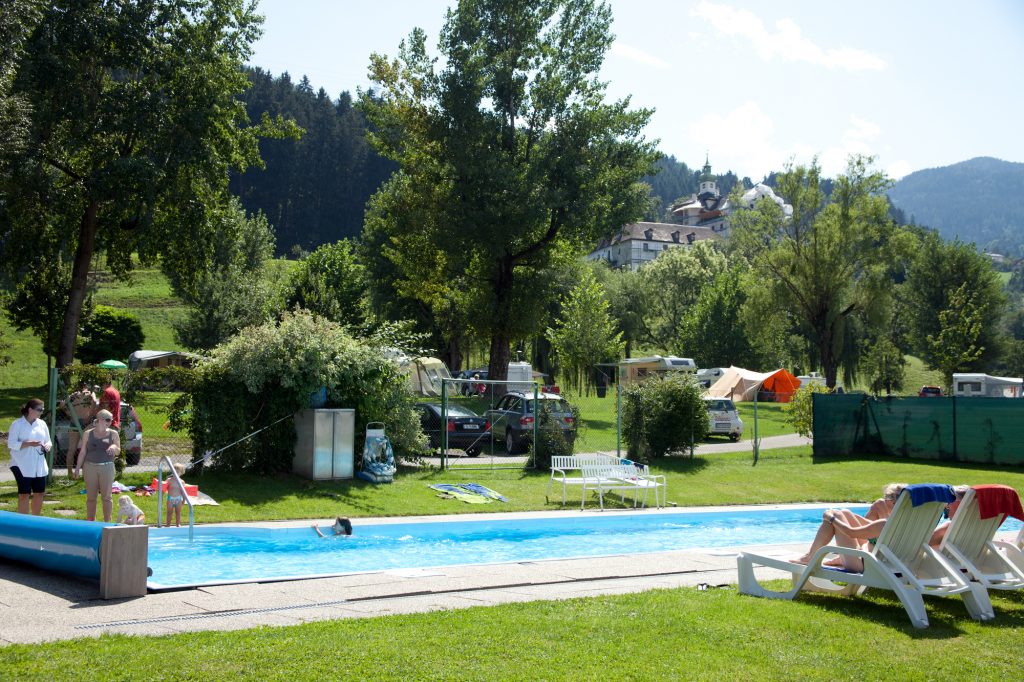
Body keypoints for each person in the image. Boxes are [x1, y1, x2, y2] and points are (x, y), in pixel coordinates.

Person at [795, 483, 907, 570]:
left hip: (865, 565)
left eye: (885, 498)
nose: (883, 501)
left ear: (893, 502)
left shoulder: (884, 524)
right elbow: (869, 527)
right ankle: (822, 556)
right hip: (893, 565)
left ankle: (810, 557)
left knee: (837, 515)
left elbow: (851, 532)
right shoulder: (913, 525)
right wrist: (847, 515)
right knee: (845, 512)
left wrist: (831, 518)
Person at [74, 408, 121, 522]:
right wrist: (77, 468)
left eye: (111, 420)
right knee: (91, 498)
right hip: (90, 467)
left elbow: (118, 450)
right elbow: (83, 452)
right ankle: (91, 522)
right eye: (108, 420)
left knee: (107, 497)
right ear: (99, 420)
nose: (110, 422)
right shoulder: (88, 434)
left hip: (107, 467)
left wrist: (113, 447)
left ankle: (107, 522)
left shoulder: (113, 433)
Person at [6, 399, 52, 515]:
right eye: (39, 409)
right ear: (30, 409)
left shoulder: (42, 424)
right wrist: (28, 443)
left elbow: (49, 441)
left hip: (38, 464)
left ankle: (35, 521)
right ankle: (23, 522)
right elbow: (11, 444)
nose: (41, 412)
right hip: (21, 464)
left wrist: (47, 446)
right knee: (24, 494)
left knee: (39, 493)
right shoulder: (17, 424)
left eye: (43, 409)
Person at [62, 381, 98, 477]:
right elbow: (94, 402)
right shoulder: (90, 393)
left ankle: (70, 473)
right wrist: (90, 416)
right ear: (87, 386)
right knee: (88, 448)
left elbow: (62, 405)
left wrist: (71, 415)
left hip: (75, 421)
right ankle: (87, 472)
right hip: (86, 422)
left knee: (71, 449)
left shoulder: (73, 395)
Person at [165, 462, 188, 527]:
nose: (176, 473)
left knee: (178, 513)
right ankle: (168, 525)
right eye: (174, 471)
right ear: (172, 472)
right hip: (170, 499)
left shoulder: (182, 482)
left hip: (178, 499)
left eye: (178, 472)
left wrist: (183, 500)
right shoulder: (169, 480)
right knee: (169, 513)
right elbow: (163, 489)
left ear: (181, 472)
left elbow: (183, 492)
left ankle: (178, 524)